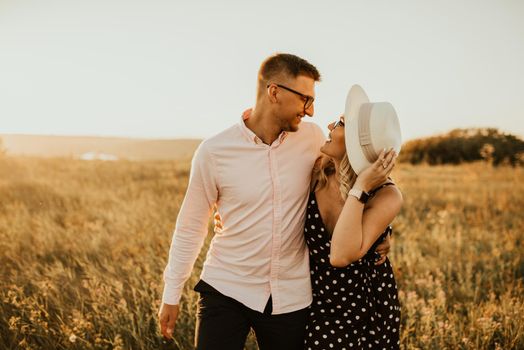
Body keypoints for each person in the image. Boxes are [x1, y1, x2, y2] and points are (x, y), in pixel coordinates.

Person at [158, 54, 392, 350]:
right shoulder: (214, 152)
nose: (311, 110)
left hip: (291, 296)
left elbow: (351, 178)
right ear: (274, 92)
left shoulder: (312, 139)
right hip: (226, 285)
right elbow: (190, 226)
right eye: (305, 99)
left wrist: (382, 232)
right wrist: (172, 293)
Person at [304, 85, 403, 349]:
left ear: (354, 142)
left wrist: (361, 188)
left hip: (366, 310)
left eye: (339, 123)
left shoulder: (386, 195)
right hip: (315, 302)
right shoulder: (316, 172)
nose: (329, 125)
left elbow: (339, 256)